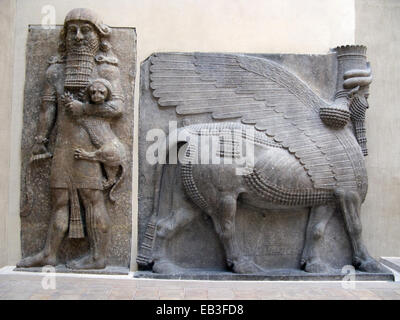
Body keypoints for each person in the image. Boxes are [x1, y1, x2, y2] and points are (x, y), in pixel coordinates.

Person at [17, 8, 125, 269]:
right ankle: (49, 253)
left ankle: (99, 257)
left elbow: (117, 108)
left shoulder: (107, 70)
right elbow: (48, 108)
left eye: (85, 30)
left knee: (93, 200)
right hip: (63, 145)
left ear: (99, 37)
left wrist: (85, 109)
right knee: (59, 201)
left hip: (91, 144)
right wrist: (41, 138)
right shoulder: (56, 71)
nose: (78, 36)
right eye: (72, 31)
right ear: (65, 37)